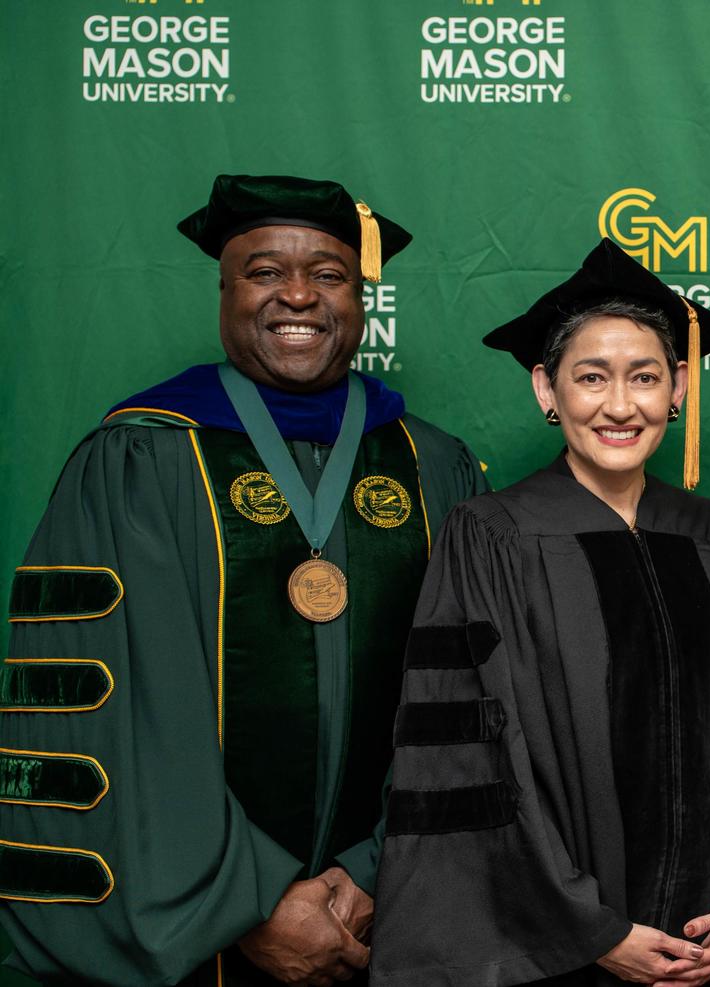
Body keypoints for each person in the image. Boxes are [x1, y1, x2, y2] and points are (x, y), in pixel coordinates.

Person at [0, 174, 486, 986]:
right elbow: (121, 716)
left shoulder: (434, 464)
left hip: (386, 911)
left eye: (329, 275)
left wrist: (374, 869)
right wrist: (255, 902)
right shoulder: (139, 460)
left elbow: (465, 695)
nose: (297, 295)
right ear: (224, 291)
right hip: (206, 921)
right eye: (264, 272)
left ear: (361, 298)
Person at [370, 238, 710, 987]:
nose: (620, 405)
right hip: (558, 949)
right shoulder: (492, 536)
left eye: (645, 376)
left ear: (680, 386)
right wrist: (591, 928)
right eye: (590, 377)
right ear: (547, 389)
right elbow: (472, 758)